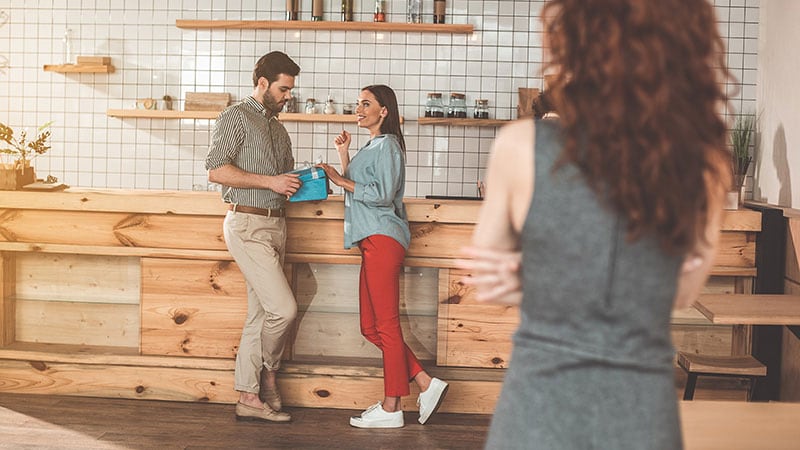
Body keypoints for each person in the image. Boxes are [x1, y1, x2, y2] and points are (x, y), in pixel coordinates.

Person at [457, 1, 733, 448]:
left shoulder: (520, 146)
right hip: (642, 411)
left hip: (539, 407)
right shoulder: (705, 165)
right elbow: (680, 292)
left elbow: (490, 283)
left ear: (574, 43)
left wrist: (541, 278)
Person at [317, 85, 449, 429]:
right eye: (358, 103)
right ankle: (424, 382)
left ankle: (392, 408)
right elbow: (359, 188)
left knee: (386, 326)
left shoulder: (388, 145)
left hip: (383, 238)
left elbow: (381, 194)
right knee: (370, 326)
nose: (358, 109)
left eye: (366, 104)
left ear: (384, 111)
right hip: (370, 241)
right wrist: (344, 157)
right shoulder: (372, 146)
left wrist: (336, 178)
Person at [205, 51, 302, 423]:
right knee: (284, 309)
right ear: (262, 83)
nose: (287, 96)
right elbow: (216, 170)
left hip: (277, 225)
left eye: (290, 90)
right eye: (282, 88)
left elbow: (283, 181)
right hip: (247, 225)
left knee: (260, 315)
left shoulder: (278, 128)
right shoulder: (236, 116)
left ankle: (248, 397)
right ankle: (269, 375)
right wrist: (271, 182)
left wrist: (308, 181)